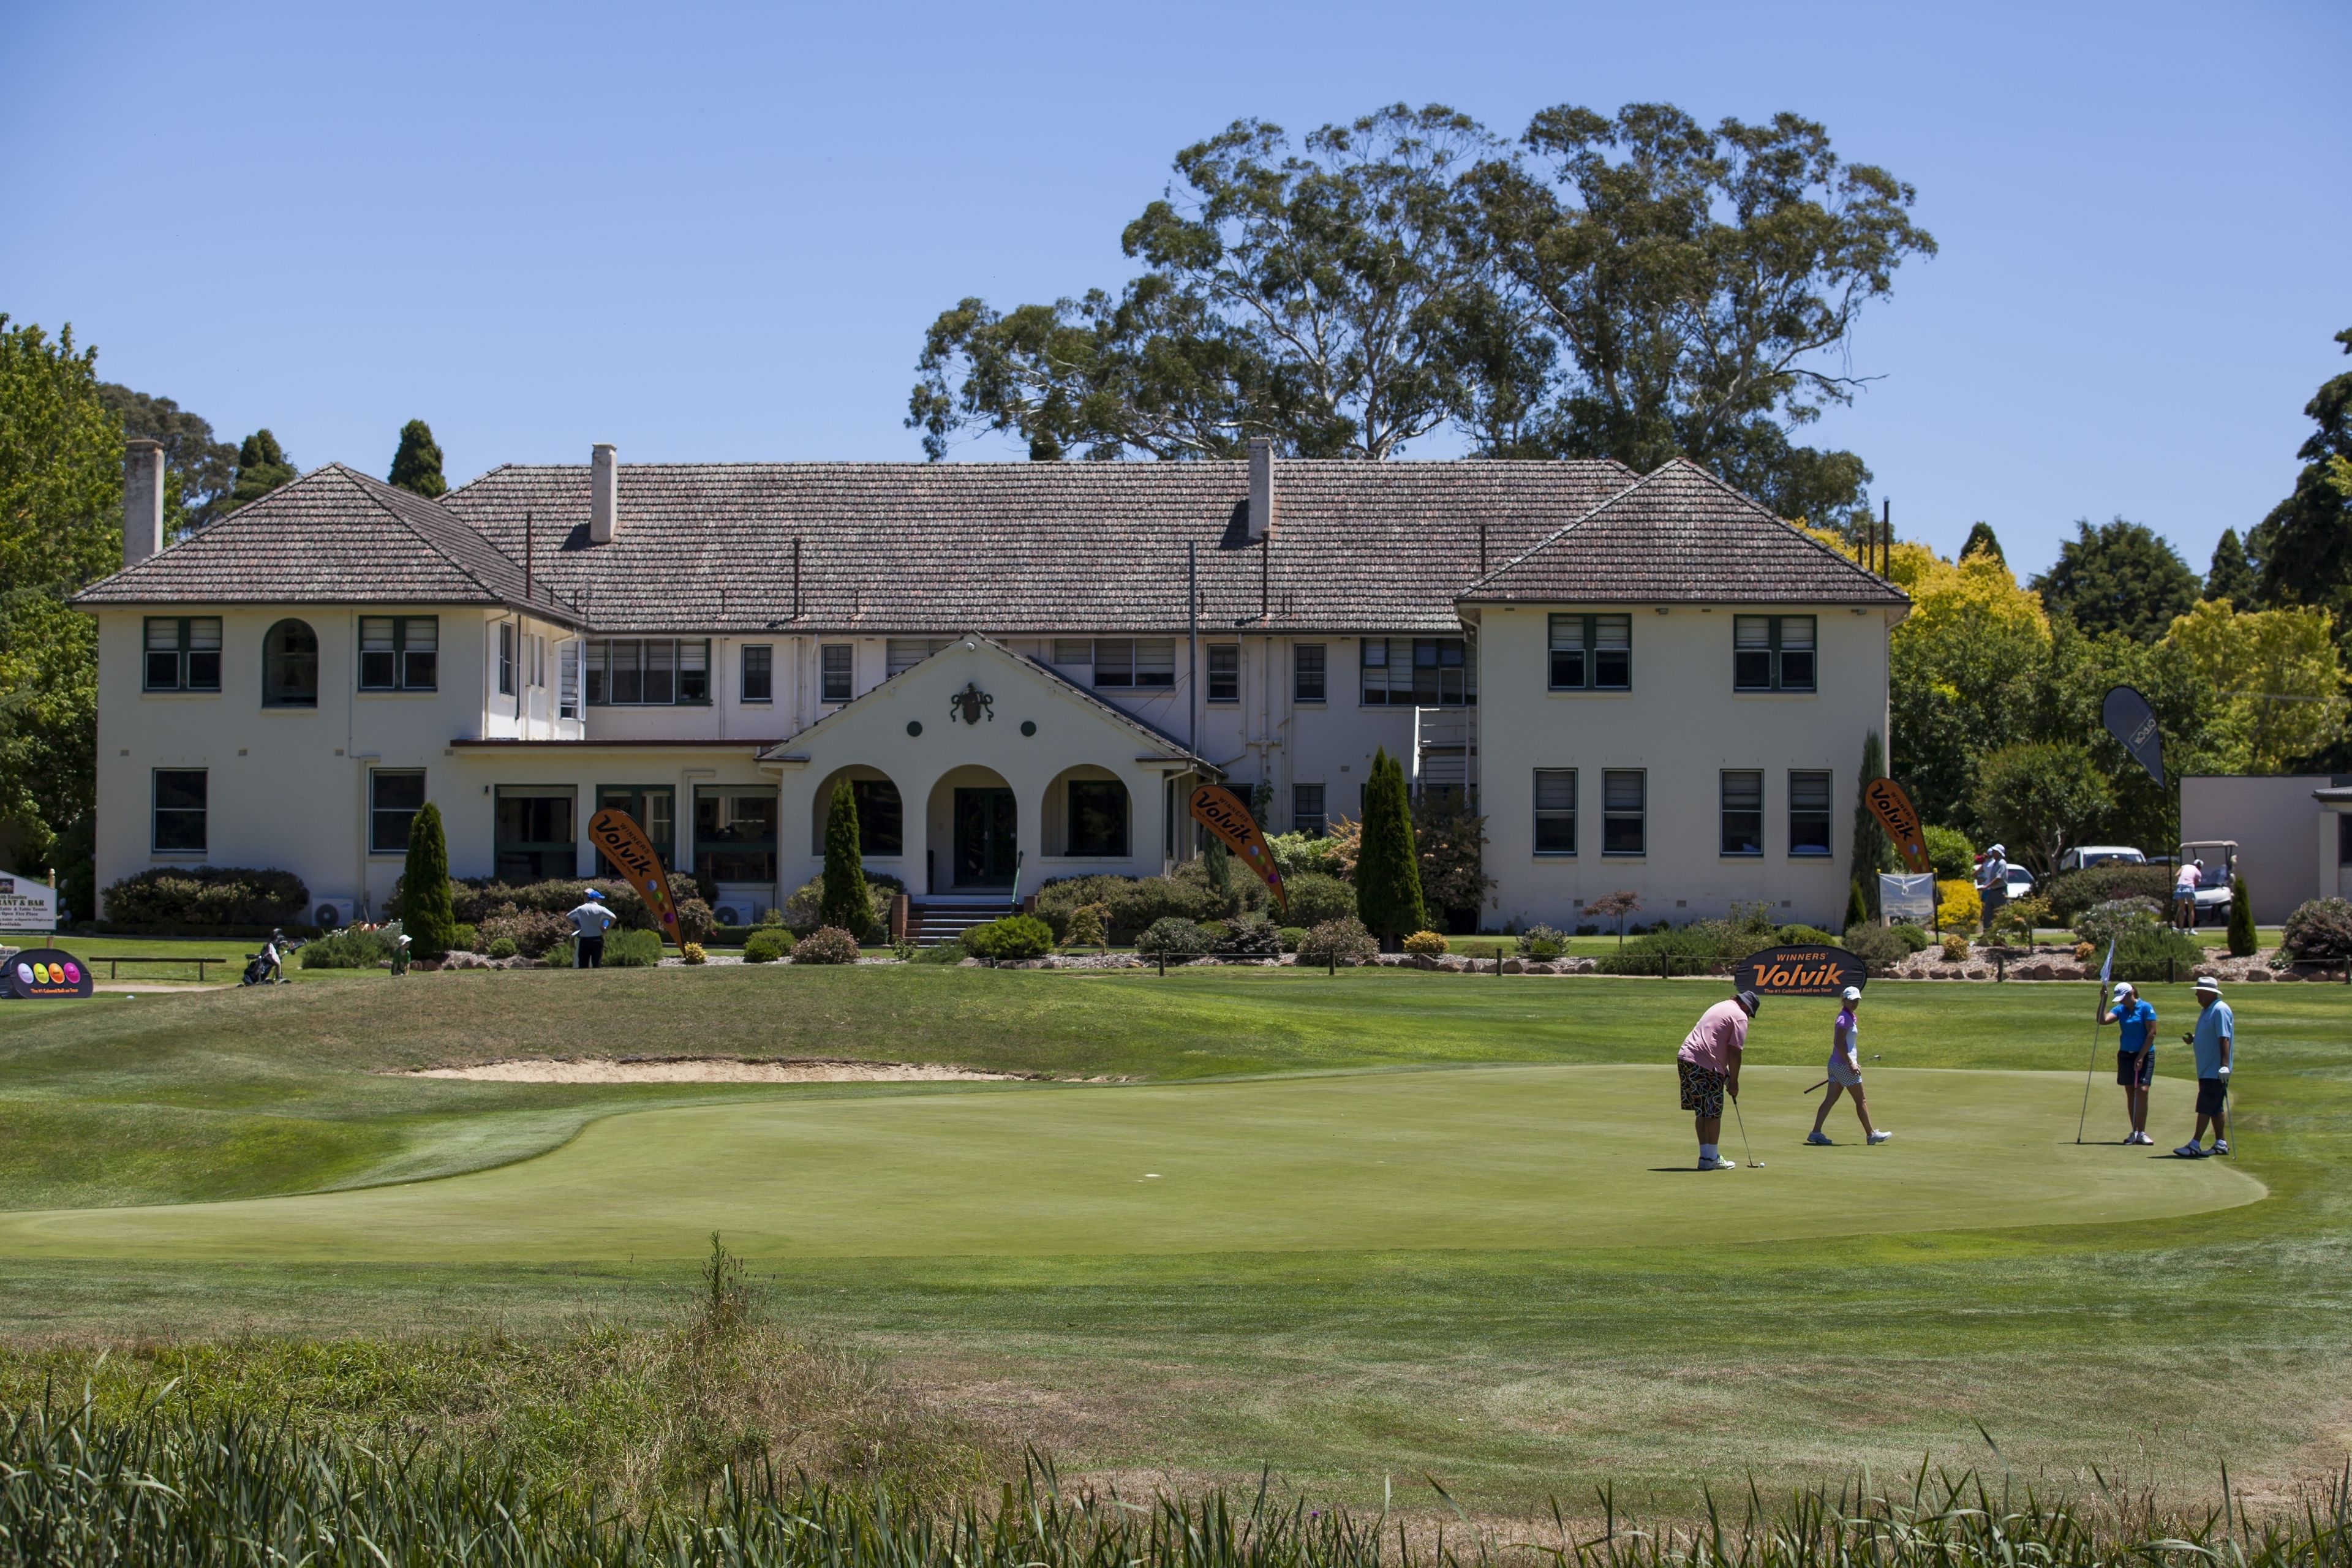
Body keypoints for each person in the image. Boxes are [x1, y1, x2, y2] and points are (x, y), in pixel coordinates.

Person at [1678, 989, 1758, 1170]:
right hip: (1703, 1062)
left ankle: (1706, 1158)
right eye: (1749, 1012)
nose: (1748, 1017)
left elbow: (1713, 1045)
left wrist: (1726, 1076)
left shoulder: (1720, 1006)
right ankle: (1711, 1158)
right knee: (1712, 1111)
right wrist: (1735, 1081)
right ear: (1745, 1005)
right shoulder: (1739, 1016)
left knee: (1703, 1110)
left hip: (1686, 1058)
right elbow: (1735, 1052)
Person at [1807, 985, 1891, 1146]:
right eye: (1851, 1000)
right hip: (1844, 1066)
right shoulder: (1844, 1019)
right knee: (1861, 1100)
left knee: (1830, 1100)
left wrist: (1850, 1061)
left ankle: (1816, 1133)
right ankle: (1871, 1134)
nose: (1854, 1003)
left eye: (1857, 1000)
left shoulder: (1850, 1016)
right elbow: (1838, 1043)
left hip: (1837, 1065)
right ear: (1844, 1000)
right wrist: (1851, 1063)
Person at [2175, 976, 2234, 1158]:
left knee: (2205, 1106)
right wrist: (2194, 1038)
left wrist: (2224, 1066)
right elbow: (2211, 1033)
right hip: (2206, 1069)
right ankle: (2220, 1143)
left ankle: (2195, 1145)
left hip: (2215, 1070)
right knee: (2215, 1108)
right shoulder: (2208, 1010)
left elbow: (2224, 1038)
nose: (2197, 996)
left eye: (2199, 993)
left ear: (2209, 993)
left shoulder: (2220, 1010)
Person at [2103, 981, 2157, 1144]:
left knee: (2143, 1090)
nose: (2120, 1001)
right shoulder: (2121, 1009)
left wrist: (2141, 1056)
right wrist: (2102, 1000)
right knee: (2130, 1092)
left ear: (2130, 994)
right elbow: (2103, 1020)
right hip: (2126, 1055)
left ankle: (2142, 1132)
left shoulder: (2146, 1008)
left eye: (2122, 998)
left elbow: (2152, 1033)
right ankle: (2134, 1131)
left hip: (2145, 1054)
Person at [566, 888, 616, 968]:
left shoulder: (580, 909)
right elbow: (613, 918)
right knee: (596, 963)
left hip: (584, 939)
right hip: (597, 938)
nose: (601, 901)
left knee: (583, 963)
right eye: (600, 899)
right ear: (595, 899)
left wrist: (578, 927)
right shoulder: (601, 909)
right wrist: (606, 929)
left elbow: (568, 917)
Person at [1975, 844, 2010, 937]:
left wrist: (1987, 886)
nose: (1993, 853)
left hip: (2000, 891)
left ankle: (2001, 936)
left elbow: (1999, 878)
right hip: (1993, 891)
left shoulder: (2002, 863)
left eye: (1995, 851)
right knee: (1988, 912)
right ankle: (1987, 934)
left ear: (1999, 853)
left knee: (2000, 913)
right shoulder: (1995, 863)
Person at [2173, 858, 2204, 929]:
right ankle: (2191, 929)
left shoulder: (2185, 866)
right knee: (2191, 909)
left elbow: (2177, 875)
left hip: (2180, 886)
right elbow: (2196, 883)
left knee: (2181, 909)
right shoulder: (2198, 872)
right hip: (2190, 887)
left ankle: (2181, 929)